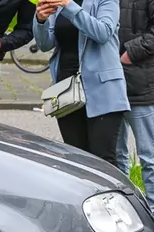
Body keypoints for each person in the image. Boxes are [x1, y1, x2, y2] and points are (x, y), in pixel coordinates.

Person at [33, 0, 130, 166]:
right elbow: (45, 44)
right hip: (66, 90)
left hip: (102, 88)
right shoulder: (59, 3)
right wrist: (40, 20)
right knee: (76, 160)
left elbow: (103, 33)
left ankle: (110, 193)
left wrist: (69, 6)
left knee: (102, 160)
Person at [116, 0, 154, 215]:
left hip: (140, 83)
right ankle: (122, 211)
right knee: (116, 156)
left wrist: (130, 53)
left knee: (149, 155)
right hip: (109, 84)